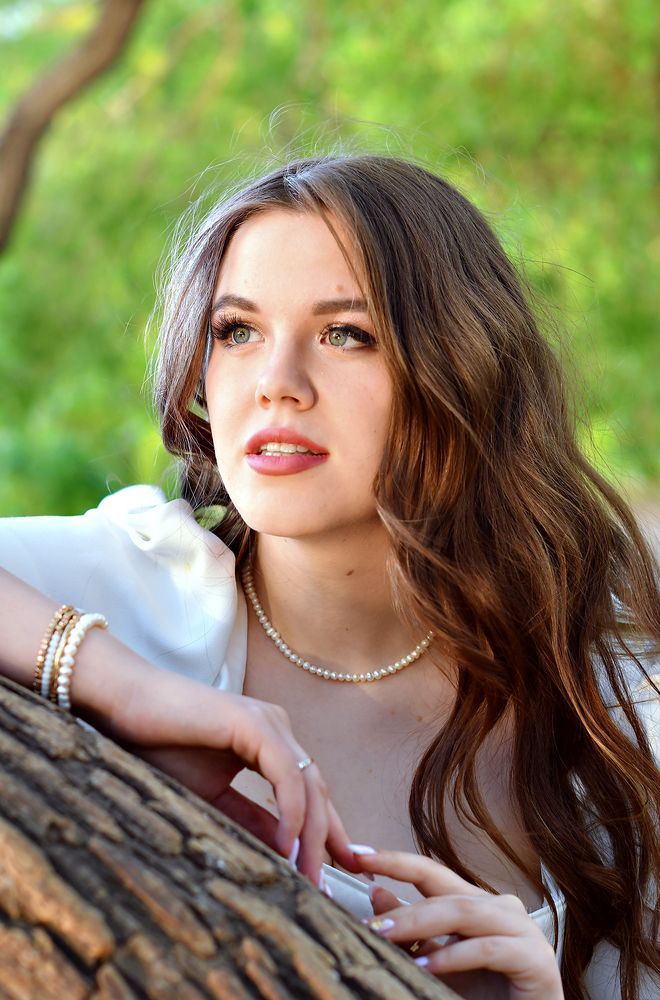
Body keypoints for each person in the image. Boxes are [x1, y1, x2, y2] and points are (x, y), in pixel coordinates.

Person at [0, 155, 658, 1000]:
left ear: (463, 364)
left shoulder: (619, 725)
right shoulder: (127, 589)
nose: (276, 385)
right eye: (236, 331)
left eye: (346, 334)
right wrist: (118, 684)